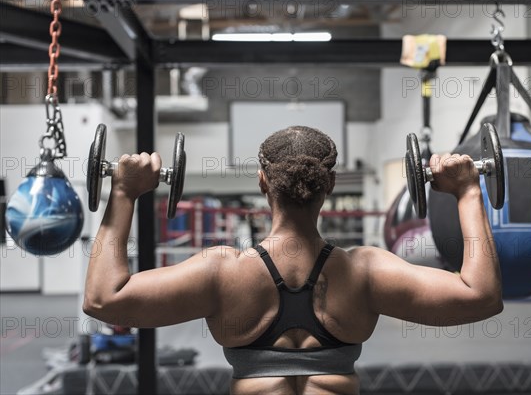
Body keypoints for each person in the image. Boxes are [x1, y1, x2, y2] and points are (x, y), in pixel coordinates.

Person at [84, 126, 502, 395]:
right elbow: (481, 296)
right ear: (331, 184)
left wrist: (123, 194)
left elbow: (103, 299)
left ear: (263, 181)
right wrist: (467, 192)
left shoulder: (222, 272)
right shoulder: (366, 272)